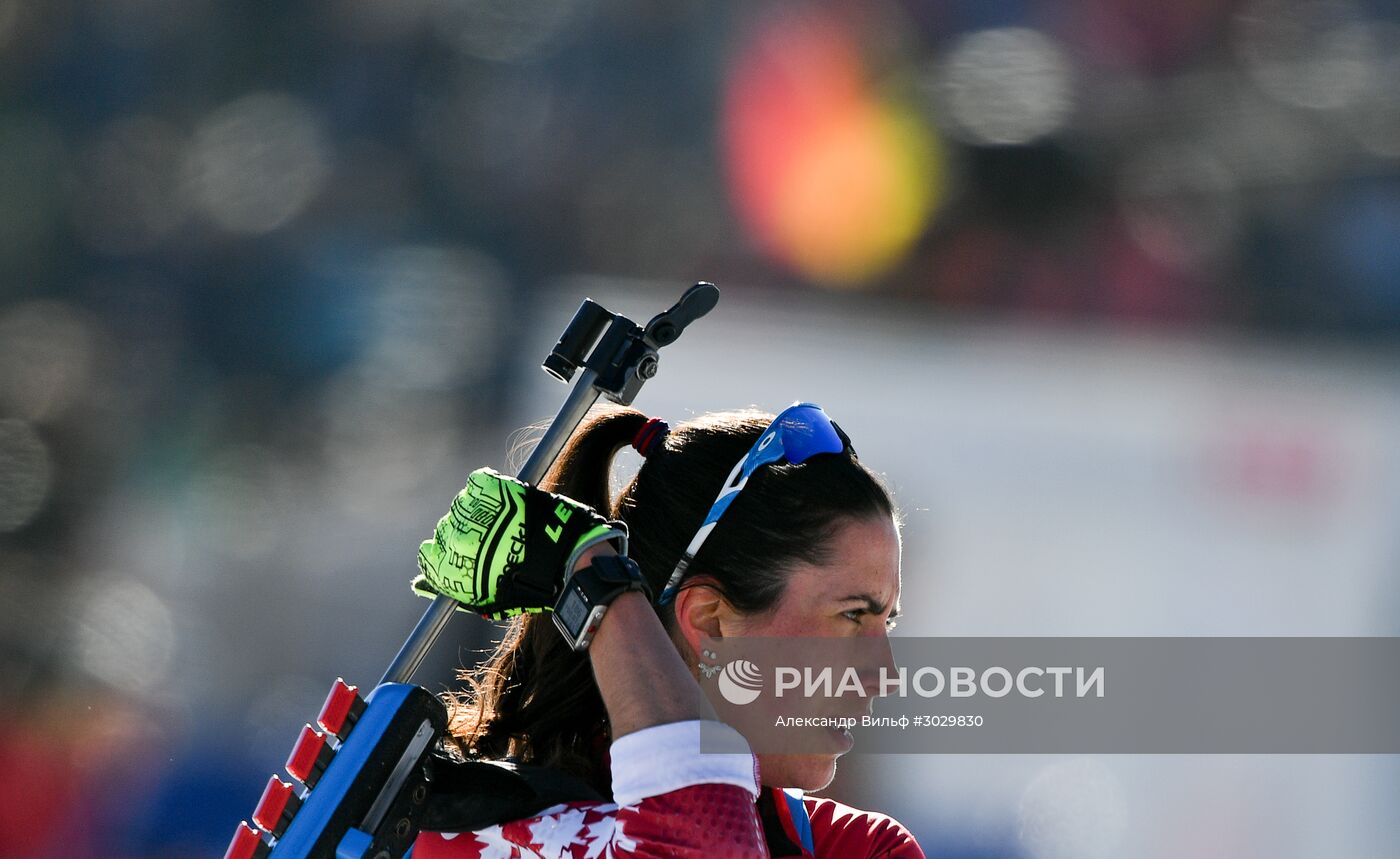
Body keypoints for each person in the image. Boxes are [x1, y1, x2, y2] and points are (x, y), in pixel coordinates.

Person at [409, 403, 924, 858]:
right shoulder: (473, 831)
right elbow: (698, 846)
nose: (884, 674)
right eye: (852, 615)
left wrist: (590, 581)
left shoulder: (862, 848)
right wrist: (595, 579)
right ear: (710, 622)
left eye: (887, 622)